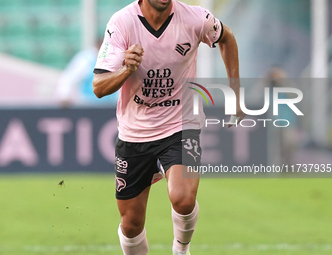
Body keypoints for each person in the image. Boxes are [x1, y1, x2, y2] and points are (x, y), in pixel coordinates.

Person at [93, 0, 245, 254]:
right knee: (131, 224)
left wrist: (235, 92)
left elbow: (227, 38)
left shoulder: (196, 19)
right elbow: (99, 86)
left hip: (181, 124)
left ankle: (181, 250)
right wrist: (125, 69)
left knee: (183, 198)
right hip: (135, 132)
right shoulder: (122, 22)